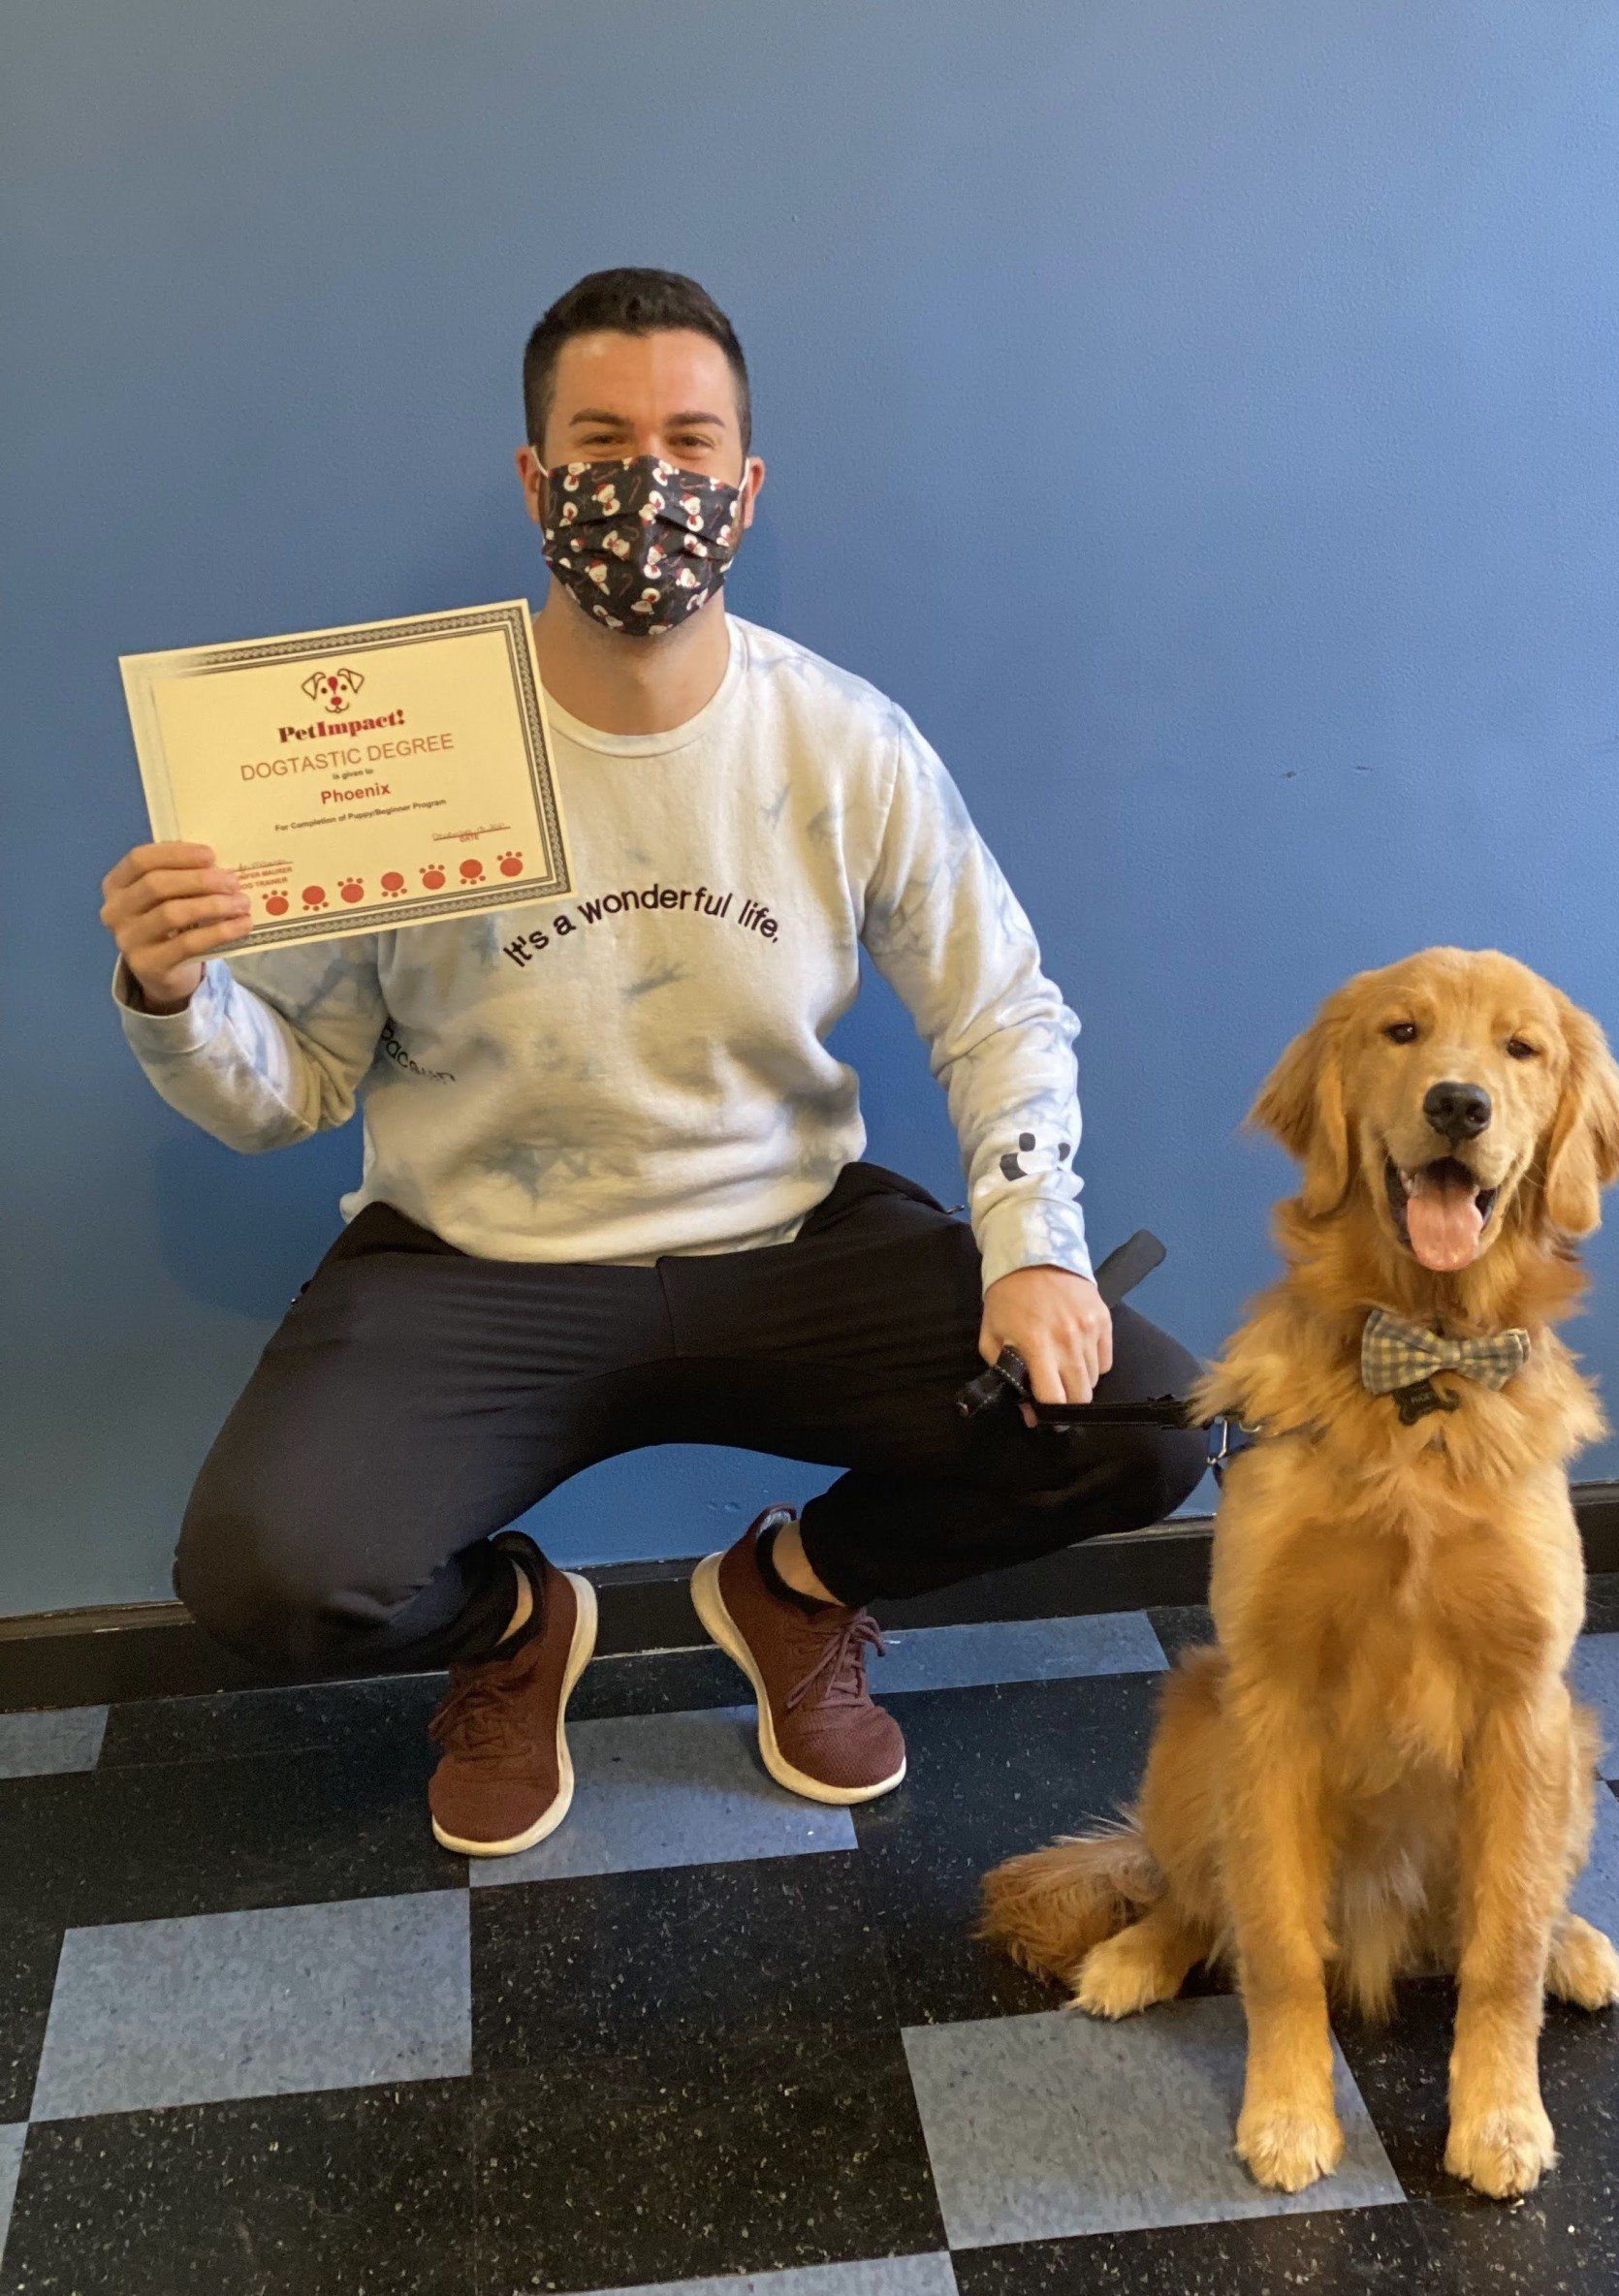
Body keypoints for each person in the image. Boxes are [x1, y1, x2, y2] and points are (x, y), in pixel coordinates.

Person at [100, 267, 1206, 1859]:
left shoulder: (841, 741)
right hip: (480, 1259)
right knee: (263, 1573)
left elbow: (1001, 1009)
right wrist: (170, 988)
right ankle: (513, 1631)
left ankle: (794, 1591)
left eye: (691, 442)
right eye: (602, 440)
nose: (648, 482)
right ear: (535, 479)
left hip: (787, 1240)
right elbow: (292, 1093)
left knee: (1147, 1418)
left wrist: (1033, 1251)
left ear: (746, 489)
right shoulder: (396, 753)